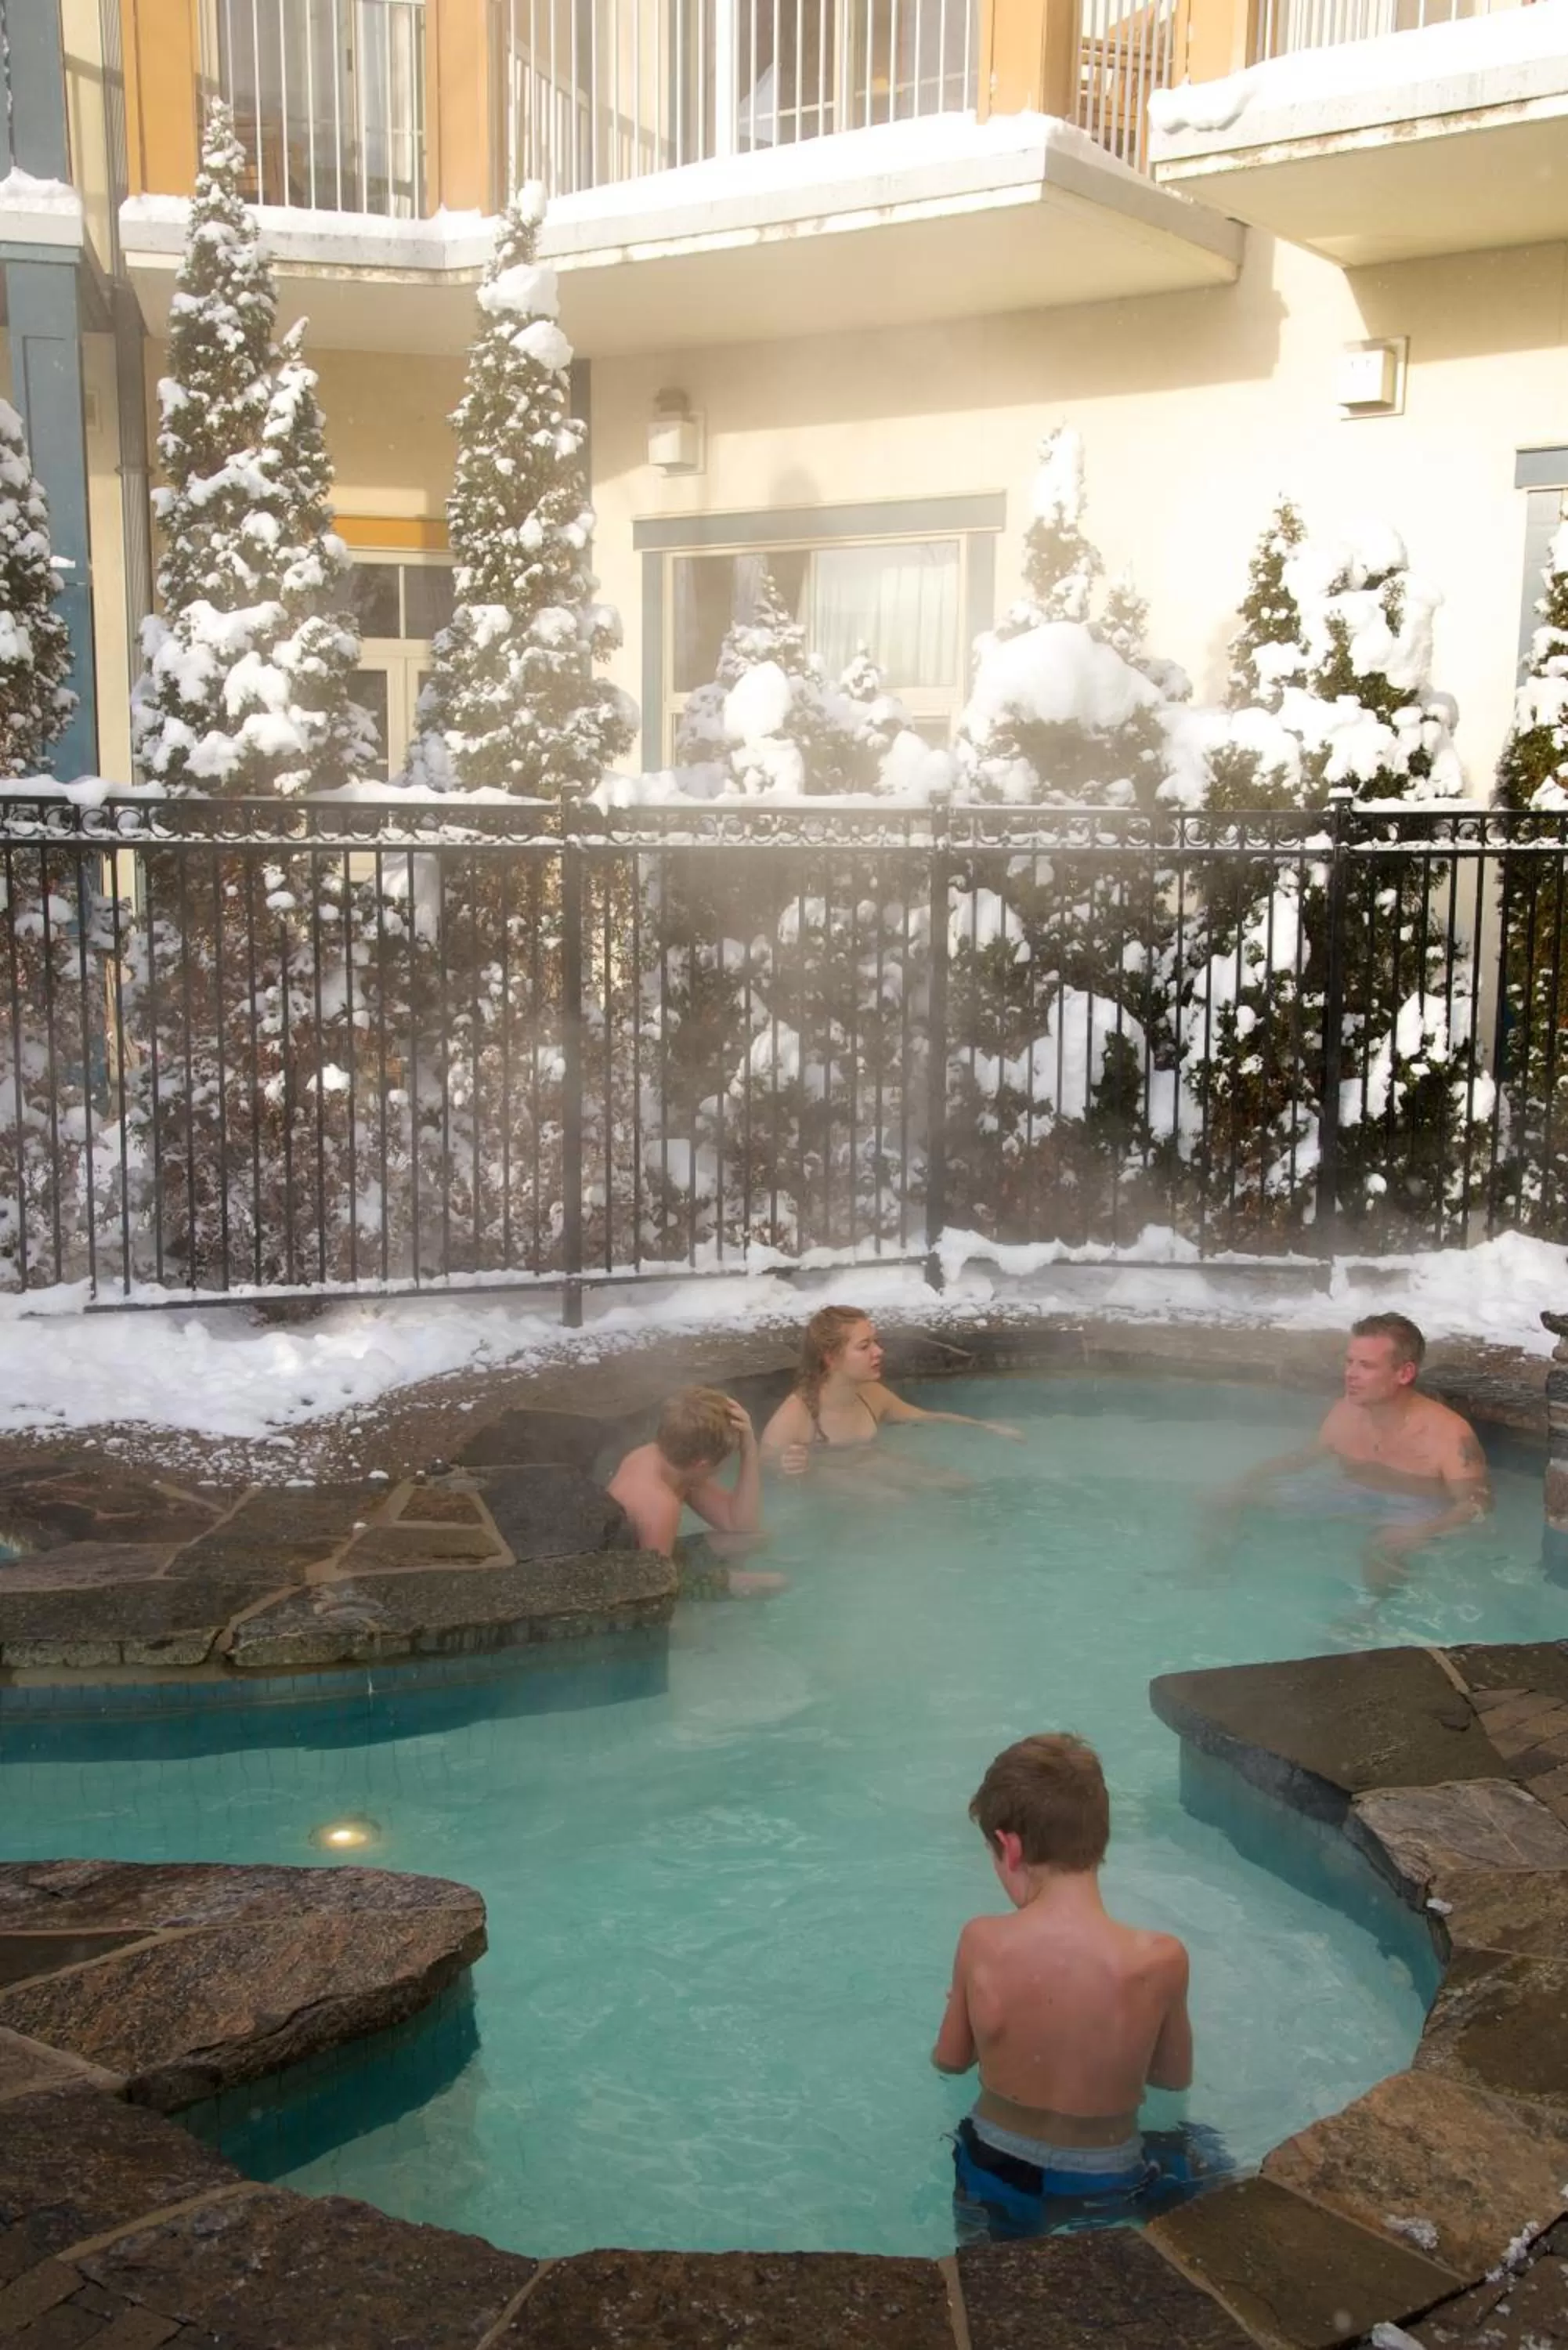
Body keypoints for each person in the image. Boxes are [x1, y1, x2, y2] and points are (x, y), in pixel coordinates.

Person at [934, 1733, 1223, 2241]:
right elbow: (1172, 2081)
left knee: (991, 2286)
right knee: (1205, 2152)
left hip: (995, 2168)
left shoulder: (982, 1942)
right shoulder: (1160, 1960)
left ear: (1009, 1846)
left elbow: (950, 2062)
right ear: (1100, 1840)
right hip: (1109, 2176)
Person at [1214, 1313, 1490, 1583]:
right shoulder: (1346, 1410)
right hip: (1351, 1493)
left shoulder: (1449, 1433)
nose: (1350, 1374)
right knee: (1222, 1499)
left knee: (1381, 1549)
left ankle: (1370, 1616)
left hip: (1413, 1506)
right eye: (1349, 1362)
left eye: (1366, 1366)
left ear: (1404, 1373)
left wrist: (1423, 1532)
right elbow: (1302, 1458)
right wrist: (1244, 1481)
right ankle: (1209, 1574)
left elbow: (1476, 1503)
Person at [760, 1304, 1021, 1480]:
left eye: (876, 1342)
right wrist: (786, 1467)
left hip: (868, 1471)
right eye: (865, 1346)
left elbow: (925, 1417)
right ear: (831, 1358)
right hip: (834, 1496)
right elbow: (764, 1468)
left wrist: (986, 1427)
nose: (879, 1352)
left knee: (955, 1483)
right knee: (890, 1500)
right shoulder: (795, 1416)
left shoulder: (871, 1395)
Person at [607, 1387, 783, 1596]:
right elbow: (655, 1590)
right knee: (776, 1583)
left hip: (657, 1559)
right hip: (636, 1578)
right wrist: (725, 1582)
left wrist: (749, 1448)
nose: (723, 1468)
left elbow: (740, 1526)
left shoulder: (671, 1461)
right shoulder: (659, 1504)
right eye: (726, 1461)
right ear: (702, 1465)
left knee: (759, 1539)